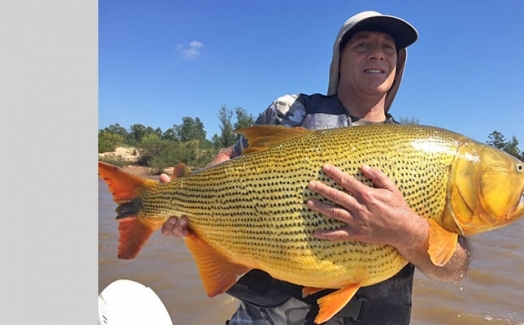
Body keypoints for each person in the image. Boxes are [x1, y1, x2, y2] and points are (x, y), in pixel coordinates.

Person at [160, 11, 472, 325]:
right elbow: (232, 156)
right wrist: (188, 196)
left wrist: (406, 231)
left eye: (388, 47)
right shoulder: (291, 111)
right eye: (363, 45)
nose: (378, 53)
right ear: (340, 59)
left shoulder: (423, 155)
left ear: (398, 63)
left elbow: (455, 268)